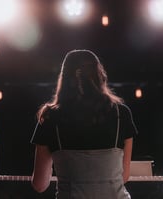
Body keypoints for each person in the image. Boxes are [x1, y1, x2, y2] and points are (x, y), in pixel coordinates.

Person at [30, 49, 138, 199]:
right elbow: (124, 176)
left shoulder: (50, 117)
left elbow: (40, 185)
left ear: (64, 77)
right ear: (99, 74)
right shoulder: (121, 114)